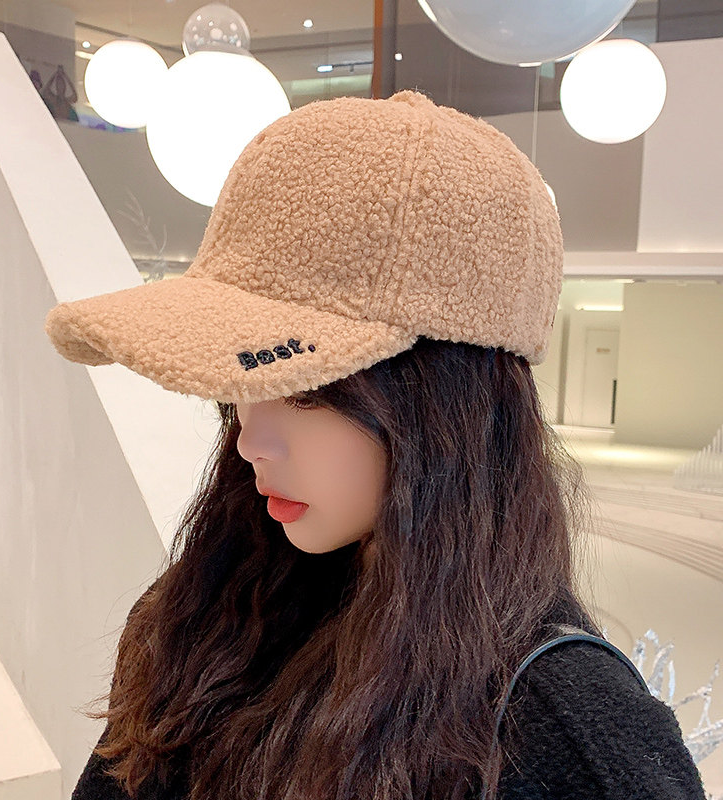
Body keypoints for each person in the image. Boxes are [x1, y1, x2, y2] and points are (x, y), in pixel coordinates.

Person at [44, 90, 707, 800]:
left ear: (443, 405)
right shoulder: (213, 609)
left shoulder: (565, 730)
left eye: (307, 390)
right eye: (237, 382)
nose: (249, 441)